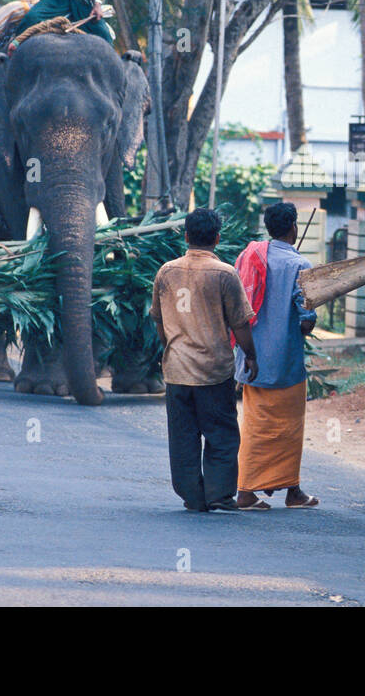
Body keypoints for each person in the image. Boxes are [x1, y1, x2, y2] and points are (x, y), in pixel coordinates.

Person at [150, 208, 258, 512]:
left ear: (186, 237)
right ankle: (219, 494)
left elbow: (159, 321)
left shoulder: (165, 272)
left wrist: (170, 348)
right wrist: (250, 354)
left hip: (177, 369)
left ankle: (192, 496)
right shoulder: (225, 273)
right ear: (217, 238)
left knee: (183, 436)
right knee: (221, 431)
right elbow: (240, 323)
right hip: (214, 369)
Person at [233, 203, 320, 510]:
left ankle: (275, 489)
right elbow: (306, 318)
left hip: (251, 358)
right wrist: (308, 320)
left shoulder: (247, 256)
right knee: (289, 429)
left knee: (256, 425)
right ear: (293, 227)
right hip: (285, 362)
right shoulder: (300, 264)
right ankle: (255, 492)